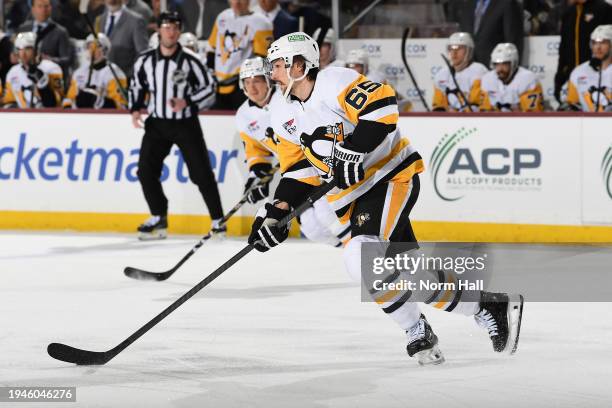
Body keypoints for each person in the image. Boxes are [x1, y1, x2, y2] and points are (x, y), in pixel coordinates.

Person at [249, 32, 524, 365]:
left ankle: (415, 326)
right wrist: (276, 213)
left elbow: (382, 106)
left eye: (278, 65)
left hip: (389, 176)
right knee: (406, 273)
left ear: (299, 65)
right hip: (352, 198)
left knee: (361, 258)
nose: (273, 73)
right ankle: (484, 306)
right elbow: (298, 169)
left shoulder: (336, 80)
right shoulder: (280, 112)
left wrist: (352, 151)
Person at [236, 57, 350, 246]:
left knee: (325, 211)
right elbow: (255, 150)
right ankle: (351, 249)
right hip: (297, 170)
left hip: (320, 162)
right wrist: (257, 172)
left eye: (256, 80)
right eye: (247, 82)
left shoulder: (286, 97)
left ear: (267, 80)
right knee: (310, 227)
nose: (252, 88)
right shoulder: (243, 115)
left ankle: (360, 250)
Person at [129, 12, 223, 240]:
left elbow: (210, 87)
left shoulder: (191, 59)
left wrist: (188, 101)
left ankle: (218, 221)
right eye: (166, 27)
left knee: (201, 173)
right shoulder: (145, 60)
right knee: (145, 171)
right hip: (157, 123)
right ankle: (158, 217)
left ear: (179, 31)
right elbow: (136, 85)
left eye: (174, 27)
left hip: (185, 123)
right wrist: (135, 108)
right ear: (159, 31)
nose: (171, 31)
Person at [207, 0, 273, 110]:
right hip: (218, 85)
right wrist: (210, 73)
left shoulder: (261, 22)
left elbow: (263, 59)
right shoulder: (222, 17)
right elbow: (212, 48)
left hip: (243, 86)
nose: (236, 3)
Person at [554, 0, 612, 104]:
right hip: (574, 78)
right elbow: (563, 49)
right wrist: (560, 78)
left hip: (601, 76)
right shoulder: (568, 13)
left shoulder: (604, 9)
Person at [448, 0, 524, 66]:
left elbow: (513, 40)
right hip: (469, 68)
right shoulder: (467, 4)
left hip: (495, 68)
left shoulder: (507, 3)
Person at [62, 33, 128, 109]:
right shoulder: (78, 73)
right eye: (89, 47)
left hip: (104, 118)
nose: (92, 50)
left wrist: (98, 100)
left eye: (96, 47)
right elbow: (69, 99)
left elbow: (121, 106)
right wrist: (72, 105)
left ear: (105, 50)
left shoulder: (115, 73)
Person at [17, 0, 75, 85]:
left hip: (49, 76)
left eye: (46, 6)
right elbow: (15, 50)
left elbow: (67, 59)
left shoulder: (60, 32)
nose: (43, 10)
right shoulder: (23, 28)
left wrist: (50, 59)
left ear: (51, 8)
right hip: (23, 76)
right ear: (33, 9)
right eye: (40, 6)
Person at [2, 31, 63, 108]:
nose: (23, 54)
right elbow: (9, 101)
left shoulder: (52, 68)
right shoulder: (12, 73)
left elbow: (57, 102)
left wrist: (42, 82)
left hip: (48, 116)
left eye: (27, 49)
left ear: (36, 49)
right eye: (20, 49)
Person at [479, 43, 544, 112]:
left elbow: (532, 113)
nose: (500, 68)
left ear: (513, 63)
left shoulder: (528, 78)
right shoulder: (487, 79)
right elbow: (484, 111)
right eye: (497, 64)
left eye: (504, 64)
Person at [432, 32, 488, 112]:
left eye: (459, 48)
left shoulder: (480, 72)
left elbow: (476, 105)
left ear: (469, 51)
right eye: (451, 48)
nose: (454, 53)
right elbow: (438, 106)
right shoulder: (441, 75)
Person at [344, 48, 412, 112]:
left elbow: (403, 103)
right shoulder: (344, 79)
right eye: (349, 66)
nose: (352, 70)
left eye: (357, 66)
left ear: (366, 67)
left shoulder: (377, 80)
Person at [565, 25, 612, 111]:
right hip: (587, 123)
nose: (598, 47)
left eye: (603, 42)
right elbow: (572, 104)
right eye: (594, 43)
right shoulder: (579, 72)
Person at [96, 0, 148, 77]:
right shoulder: (101, 19)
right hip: (104, 79)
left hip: (126, 78)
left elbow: (143, 53)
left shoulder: (136, 20)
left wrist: (130, 74)